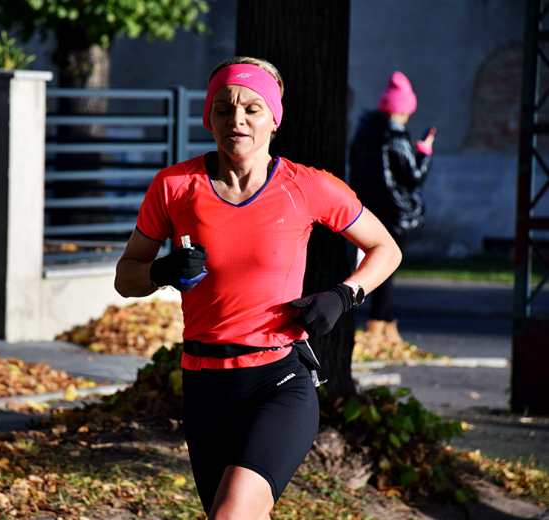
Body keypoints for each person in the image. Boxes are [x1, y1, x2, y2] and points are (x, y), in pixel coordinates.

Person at [114, 57, 402, 519]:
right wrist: (163, 272)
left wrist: (344, 295)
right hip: (204, 385)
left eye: (252, 107)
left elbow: (386, 249)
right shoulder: (174, 186)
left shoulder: (306, 187)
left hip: (277, 380)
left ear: (273, 119)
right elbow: (125, 276)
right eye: (224, 108)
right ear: (208, 118)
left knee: (231, 515)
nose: (237, 119)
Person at [348, 71, 435, 345]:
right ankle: (379, 323)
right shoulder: (397, 139)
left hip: (368, 210)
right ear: (402, 111)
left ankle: (382, 323)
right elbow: (413, 176)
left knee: (371, 264)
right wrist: (424, 152)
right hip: (395, 212)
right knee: (388, 266)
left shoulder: (364, 133)